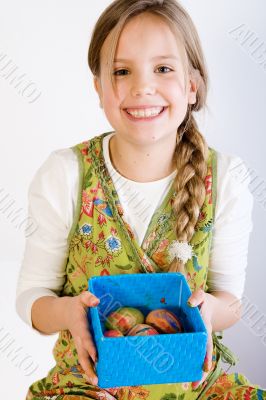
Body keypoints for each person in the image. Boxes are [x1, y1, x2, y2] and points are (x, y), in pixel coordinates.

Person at [16, 0, 266, 399]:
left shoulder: (227, 179)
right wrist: (69, 312)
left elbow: (230, 301)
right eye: (121, 71)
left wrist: (210, 313)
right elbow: (33, 298)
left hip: (195, 386)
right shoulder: (64, 174)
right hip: (90, 385)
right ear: (98, 87)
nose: (142, 87)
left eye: (163, 68)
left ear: (192, 86)